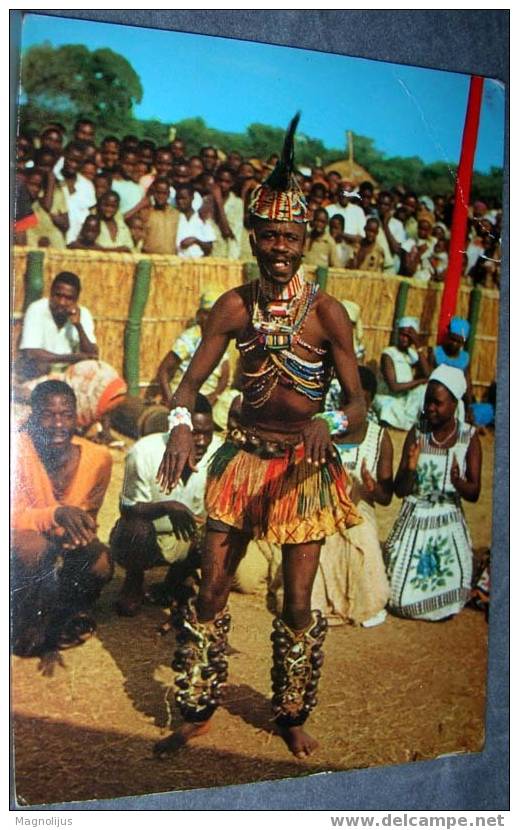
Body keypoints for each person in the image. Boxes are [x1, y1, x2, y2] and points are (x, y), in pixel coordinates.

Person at [155, 114, 365, 760]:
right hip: (241, 461)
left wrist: (325, 424)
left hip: (303, 471)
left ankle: (291, 712)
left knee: (297, 601)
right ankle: (194, 706)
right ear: (251, 235)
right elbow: (187, 386)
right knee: (211, 587)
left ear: (305, 240)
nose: (277, 248)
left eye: (288, 237)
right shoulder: (233, 307)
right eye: (267, 236)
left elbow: (358, 404)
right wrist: (182, 426)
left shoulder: (327, 313)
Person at [11, 380, 113, 656]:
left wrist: (80, 533)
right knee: (33, 550)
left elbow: (87, 515)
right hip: (23, 539)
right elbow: (12, 516)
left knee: (101, 564)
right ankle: (25, 617)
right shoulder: (15, 451)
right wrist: (56, 514)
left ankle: (67, 612)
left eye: (66, 415)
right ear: (33, 417)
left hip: (61, 539)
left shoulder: (99, 458)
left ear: (76, 417)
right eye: (48, 415)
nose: (58, 424)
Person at [385, 365, 481, 621]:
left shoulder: (469, 438)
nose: (430, 408)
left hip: (449, 521)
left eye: (437, 403)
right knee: (401, 600)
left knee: (453, 591)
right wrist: (410, 467)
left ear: (454, 403)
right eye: (428, 401)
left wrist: (457, 482)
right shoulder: (418, 433)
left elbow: (474, 493)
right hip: (415, 519)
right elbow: (400, 490)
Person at [110, 394, 220, 616]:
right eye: (194, 433)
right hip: (150, 532)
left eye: (207, 433)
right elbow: (128, 509)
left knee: (222, 535)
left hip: (191, 532)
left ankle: (176, 580)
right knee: (135, 530)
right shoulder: (144, 452)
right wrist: (168, 507)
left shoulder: (220, 452)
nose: (201, 442)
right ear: (176, 433)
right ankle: (134, 580)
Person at [309, 367, 393, 627]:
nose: (352, 408)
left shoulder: (380, 437)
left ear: (369, 402)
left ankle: (364, 604)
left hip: (359, 508)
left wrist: (370, 486)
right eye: (347, 401)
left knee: (362, 535)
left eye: (360, 402)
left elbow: (385, 497)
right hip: (323, 505)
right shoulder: (324, 429)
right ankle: (321, 604)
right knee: (318, 537)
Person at [15, 271, 127, 441]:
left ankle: (104, 431)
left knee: (103, 374)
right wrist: (72, 358)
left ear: (76, 300)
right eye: (58, 295)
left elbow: (92, 354)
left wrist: (78, 326)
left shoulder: (82, 315)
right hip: (39, 376)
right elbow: (32, 353)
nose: (62, 302)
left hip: (68, 379)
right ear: (51, 293)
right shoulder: (37, 309)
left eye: (68, 298)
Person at [156, 290, 234, 430]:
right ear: (199, 316)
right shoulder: (190, 338)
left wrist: (214, 396)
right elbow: (163, 370)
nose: (213, 318)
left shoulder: (221, 338)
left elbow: (224, 377)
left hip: (210, 399)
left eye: (217, 313)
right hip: (186, 395)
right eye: (208, 313)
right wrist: (171, 401)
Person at [373, 317, 430, 430]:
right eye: (402, 334)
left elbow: (428, 374)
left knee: (424, 391)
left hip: (405, 397)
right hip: (389, 396)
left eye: (408, 336)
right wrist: (420, 381)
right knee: (389, 409)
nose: (404, 339)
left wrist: (418, 346)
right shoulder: (388, 354)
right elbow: (394, 387)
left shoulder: (412, 354)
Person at [207, 166, 244, 260]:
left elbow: (227, 232)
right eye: (220, 181)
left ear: (232, 183)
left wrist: (219, 202)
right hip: (210, 253)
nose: (223, 185)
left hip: (228, 253)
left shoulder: (237, 203)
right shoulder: (207, 200)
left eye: (227, 182)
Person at [142, 176, 180, 255]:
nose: (161, 196)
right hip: (150, 258)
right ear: (153, 193)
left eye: (164, 193)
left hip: (170, 260)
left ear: (168, 194)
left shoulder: (175, 214)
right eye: (158, 192)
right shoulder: (146, 212)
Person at [175, 184, 216, 258]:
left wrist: (195, 241)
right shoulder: (174, 217)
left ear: (192, 198)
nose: (180, 202)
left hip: (198, 263)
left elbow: (209, 248)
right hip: (177, 261)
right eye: (178, 198)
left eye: (184, 198)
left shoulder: (202, 219)